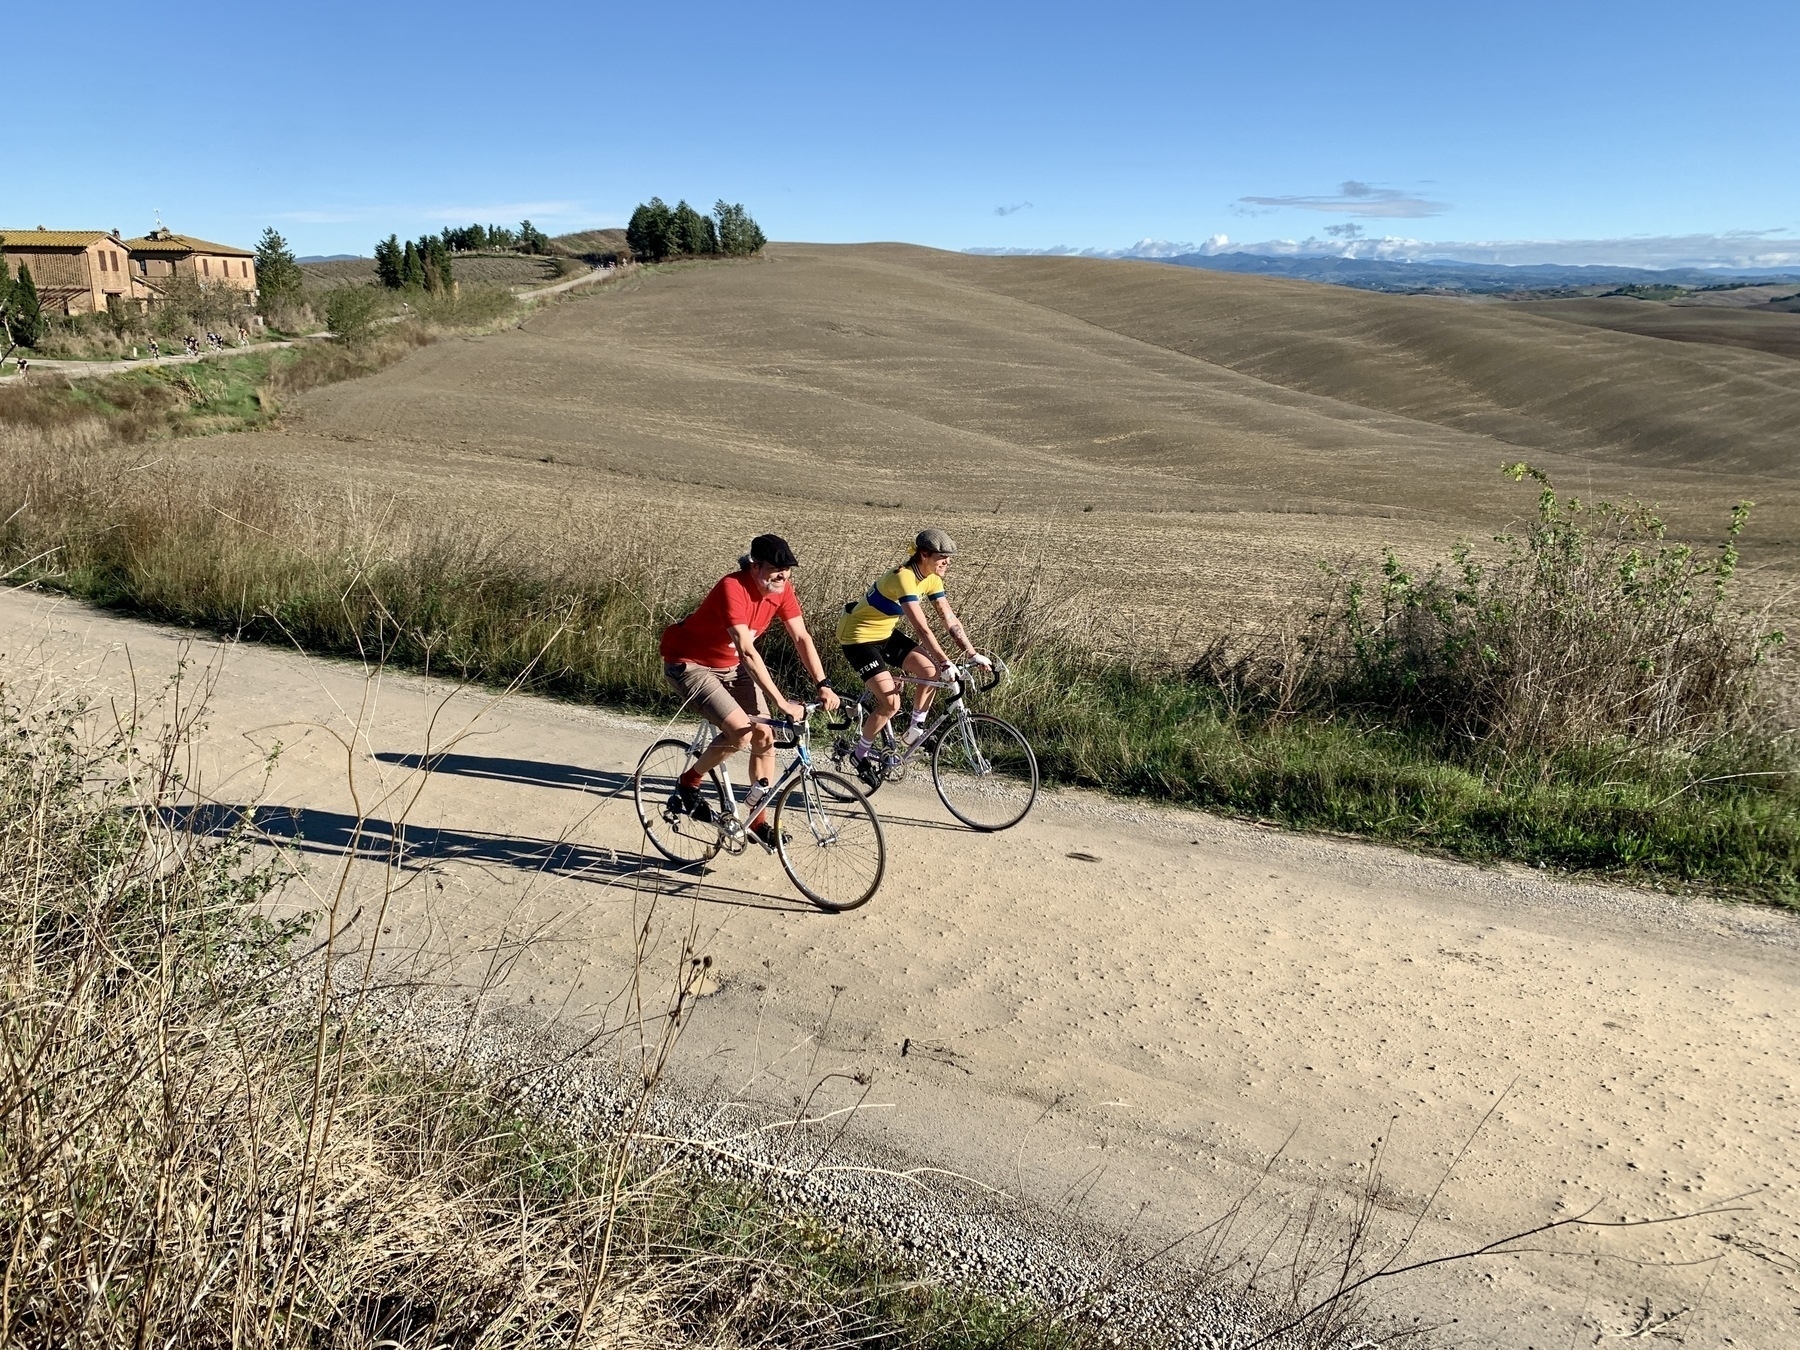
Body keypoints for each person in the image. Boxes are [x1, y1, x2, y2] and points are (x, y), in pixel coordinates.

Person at [660, 534, 841, 845]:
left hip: (731, 665)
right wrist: (782, 702)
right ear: (755, 567)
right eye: (775, 570)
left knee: (765, 734)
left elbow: (801, 638)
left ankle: (757, 822)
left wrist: (823, 684)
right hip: (689, 663)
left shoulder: (782, 589)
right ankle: (689, 782)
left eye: (788, 571)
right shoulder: (732, 588)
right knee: (741, 733)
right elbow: (747, 650)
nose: (783, 577)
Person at [835, 528, 991, 784]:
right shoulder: (904, 578)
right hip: (858, 637)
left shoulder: (931, 578)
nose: (947, 562)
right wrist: (945, 661)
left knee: (929, 672)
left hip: (884, 633)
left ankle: (914, 730)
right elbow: (922, 628)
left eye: (949, 557)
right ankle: (859, 754)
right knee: (891, 705)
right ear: (924, 554)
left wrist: (972, 654)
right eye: (942, 557)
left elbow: (949, 619)